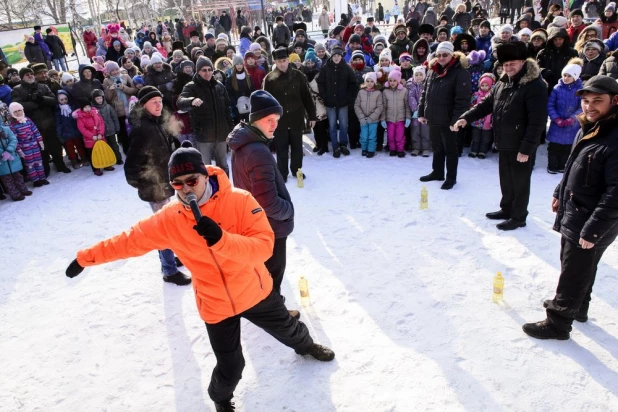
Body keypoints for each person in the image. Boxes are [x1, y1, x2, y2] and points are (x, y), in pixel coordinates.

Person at [64, 141, 335, 411]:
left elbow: (264, 247)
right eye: (178, 184)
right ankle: (220, 399)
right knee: (230, 366)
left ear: (206, 174)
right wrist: (85, 258)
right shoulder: (169, 218)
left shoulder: (240, 201)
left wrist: (222, 240)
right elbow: (128, 241)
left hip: (254, 290)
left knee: (289, 330)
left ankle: (307, 347)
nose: (186, 188)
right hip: (215, 302)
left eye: (192, 180)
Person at [523, 75, 618, 340]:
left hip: (591, 220)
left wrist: (593, 230)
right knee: (582, 265)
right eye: (586, 101)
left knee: (574, 270)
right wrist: (559, 192)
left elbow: (616, 193)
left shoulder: (614, 137)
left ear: (615, 101)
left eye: (598, 101)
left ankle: (558, 322)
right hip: (578, 210)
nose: (590, 106)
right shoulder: (591, 127)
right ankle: (578, 307)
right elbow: (574, 166)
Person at [453, 41, 548, 230]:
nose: (508, 67)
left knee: (520, 182)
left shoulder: (534, 85)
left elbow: (537, 121)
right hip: (504, 141)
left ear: (523, 61)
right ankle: (507, 209)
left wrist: (527, 148)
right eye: (505, 65)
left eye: (512, 63)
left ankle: (519, 216)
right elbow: (486, 105)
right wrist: (466, 118)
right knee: (506, 178)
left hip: (521, 144)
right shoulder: (503, 82)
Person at [227, 90, 299, 312]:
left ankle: (266, 303)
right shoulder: (257, 151)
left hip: (254, 222)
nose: (274, 125)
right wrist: (288, 210)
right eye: (269, 120)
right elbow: (267, 201)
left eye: (277, 120)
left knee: (264, 269)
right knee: (273, 273)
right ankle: (276, 314)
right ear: (255, 119)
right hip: (270, 226)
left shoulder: (244, 143)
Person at [125, 86, 190, 286]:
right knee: (165, 229)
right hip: (154, 188)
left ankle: (171, 257)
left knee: (170, 224)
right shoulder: (141, 129)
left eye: (160, 101)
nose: (159, 105)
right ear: (144, 105)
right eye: (154, 102)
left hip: (165, 182)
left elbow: (170, 145)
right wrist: (145, 184)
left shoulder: (157, 122)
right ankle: (169, 270)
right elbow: (131, 167)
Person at [418, 41, 471, 190]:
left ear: (452, 55)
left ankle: (451, 177)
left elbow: (462, 101)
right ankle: (437, 172)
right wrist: (422, 112)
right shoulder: (432, 70)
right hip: (433, 117)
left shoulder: (460, 72)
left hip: (449, 119)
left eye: (445, 55)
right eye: (439, 55)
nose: (441, 57)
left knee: (450, 150)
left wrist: (456, 121)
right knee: (437, 147)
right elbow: (425, 93)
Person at [264, 47, 316, 180]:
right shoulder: (269, 79)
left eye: (284, 60)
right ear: (275, 62)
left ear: (288, 60)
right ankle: (282, 173)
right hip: (279, 121)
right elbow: (266, 101)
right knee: (281, 148)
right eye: (279, 61)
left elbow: (306, 97)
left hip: (296, 118)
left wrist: (312, 116)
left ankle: (297, 170)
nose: (282, 64)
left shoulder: (298, 76)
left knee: (297, 147)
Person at [177, 56, 233, 175]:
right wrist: (191, 101)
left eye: (209, 69)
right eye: (204, 70)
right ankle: (207, 192)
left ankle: (224, 190)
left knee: (223, 166)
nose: (207, 72)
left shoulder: (219, 86)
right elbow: (180, 101)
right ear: (198, 71)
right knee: (205, 168)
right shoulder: (191, 86)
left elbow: (227, 109)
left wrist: (230, 129)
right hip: (204, 136)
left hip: (221, 134)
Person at [11, 67, 71, 175]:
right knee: (41, 149)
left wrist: (42, 99)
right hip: (33, 124)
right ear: (22, 77)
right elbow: (18, 106)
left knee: (55, 146)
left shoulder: (43, 86)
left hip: (49, 121)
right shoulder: (17, 90)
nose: (30, 76)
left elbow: (53, 100)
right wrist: (34, 103)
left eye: (31, 74)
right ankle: (45, 170)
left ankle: (60, 165)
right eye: (27, 74)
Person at [316, 46, 357, 159]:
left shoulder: (347, 68)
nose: (337, 57)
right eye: (335, 55)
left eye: (339, 55)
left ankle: (343, 144)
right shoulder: (325, 68)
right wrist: (324, 96)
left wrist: (349, 98)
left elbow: (353, 84)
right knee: (332, 125)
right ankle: (335, 146)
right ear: (332, 56)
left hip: (343, 102)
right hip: (330, 103)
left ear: (341, 56)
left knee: (343, 125)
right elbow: (320, 83)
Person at [546, 61, 583, 174]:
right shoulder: (557, 88)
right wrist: (556, 118)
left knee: (567, 147)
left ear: (575, 77)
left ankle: (562, 165)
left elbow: (581, 107)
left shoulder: (580, 90)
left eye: (569, 76)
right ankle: (552, 165)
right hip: (557, 123)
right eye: (564, 75)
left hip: (572, 125)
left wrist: (573, 118)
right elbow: (550, 104)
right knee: (554, 146)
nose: (566, 78)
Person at [7, 102, 47, 187]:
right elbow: (14, 139)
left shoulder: (28, 120)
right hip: (25, 148)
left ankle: (42, 178)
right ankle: (36, 180)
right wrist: (19, 149)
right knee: (30, 165)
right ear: (12, 114)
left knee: (38, 162)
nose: (18, 113)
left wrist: (40, 141)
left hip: (35, 145)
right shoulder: (12, 125)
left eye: (19, 110)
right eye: (15, 112)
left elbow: (35, 130)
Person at [381, 67, 411, 157]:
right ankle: (392, 149)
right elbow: (384, 106)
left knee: (400, 136)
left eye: (394, 80)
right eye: (390, 80)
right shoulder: (385, 92)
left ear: (398, 81)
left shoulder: (404, 91)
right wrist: (383, 119)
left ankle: (400, 149)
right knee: (390, 135)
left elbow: (407, 105)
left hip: (400, 119)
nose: (392, 82)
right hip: (390, 119)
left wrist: (408, 117)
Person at [407, 66, 430, 157]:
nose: (419, 77)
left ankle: (425, 148)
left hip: (425, 113)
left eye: (421, 74)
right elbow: (411, 97)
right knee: (415, 131)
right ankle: (416, 148)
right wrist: (415, 109)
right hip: (415, 113)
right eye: (416, 75)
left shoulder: (427, 85)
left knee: (425, 131)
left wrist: (424, 110)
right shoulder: (411, 85)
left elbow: (428, 98)